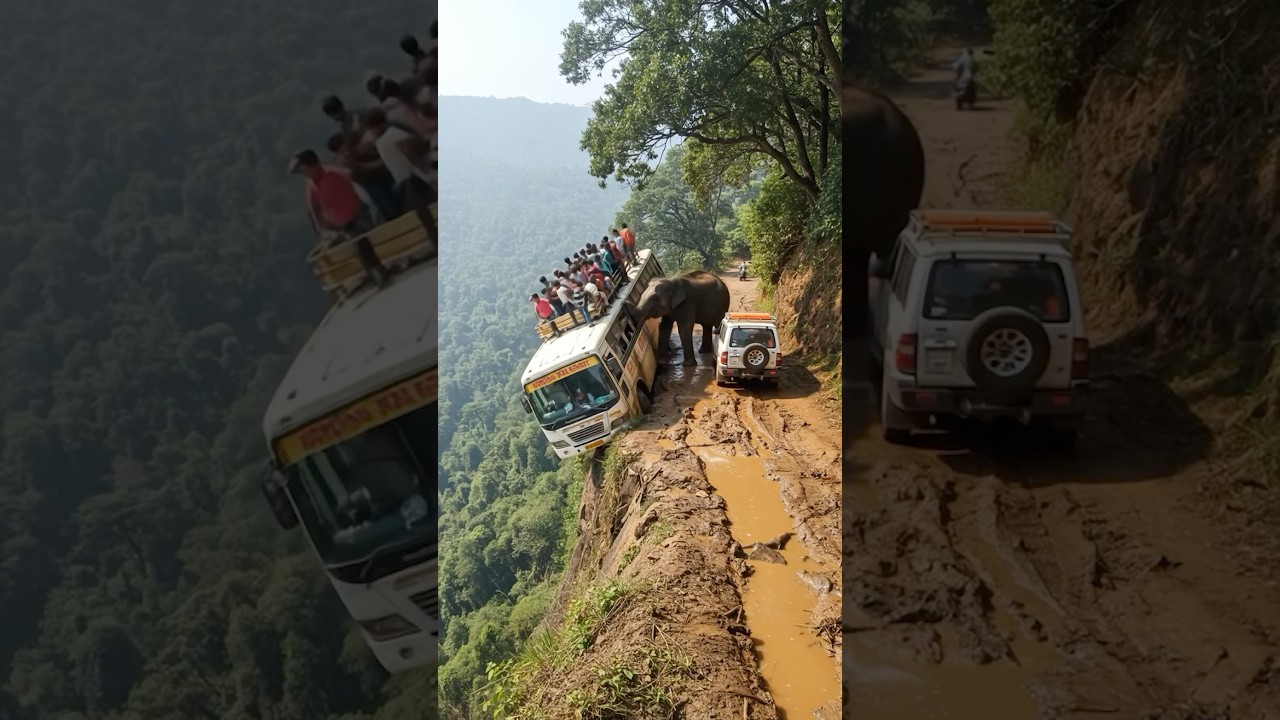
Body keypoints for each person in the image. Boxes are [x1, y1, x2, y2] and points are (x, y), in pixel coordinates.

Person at [364, 107, 436, 235]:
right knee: (426, 213)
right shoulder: (387, 137)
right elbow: (403, 154)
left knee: (425, 214)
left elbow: (406, 152)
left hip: (409, 179)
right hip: (408, 179)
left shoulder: (387, 137)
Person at [289, 149, 373, 236]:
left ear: (314, 164)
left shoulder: (333, 173)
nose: (305, 174)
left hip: (359, 217)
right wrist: (321, 228)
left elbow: (355, 178)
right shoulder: (311, 186)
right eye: (302, 171)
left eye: (305, 169)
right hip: (343, 227)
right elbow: (314, 207)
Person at [326, 132, 399, 221]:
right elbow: (363, 169)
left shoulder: (359, 149)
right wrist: (382, 161)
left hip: (382, 178)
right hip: (372, 184)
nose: (346, 151)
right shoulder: (346, 162)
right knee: (389, 208)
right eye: (342, 150)